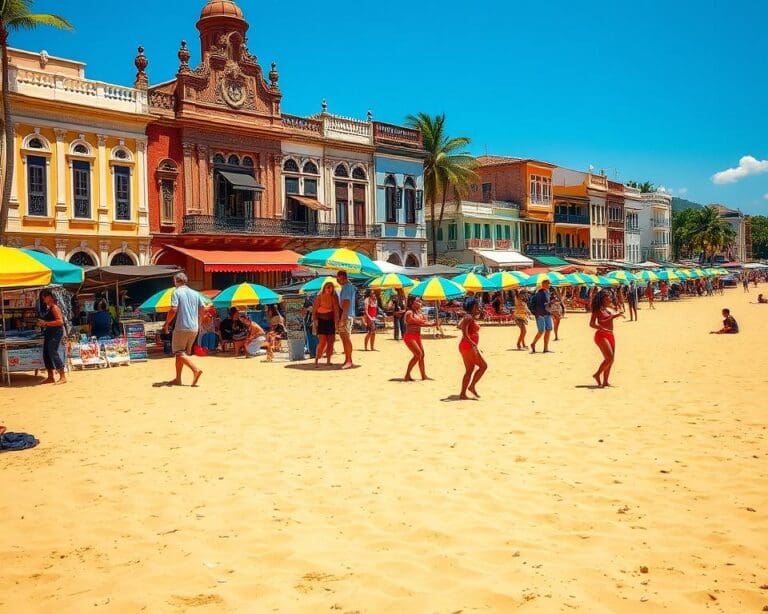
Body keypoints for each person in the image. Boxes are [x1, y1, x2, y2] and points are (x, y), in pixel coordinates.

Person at [163, 272, 204, 386]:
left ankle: (195, 370)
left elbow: (173, 310)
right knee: (181, 353)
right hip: (194, 327)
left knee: (178, 352)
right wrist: (199, 323)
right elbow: (202, 309)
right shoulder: (196, 293)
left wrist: (166, 324)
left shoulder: (176, 292)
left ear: (176, 281)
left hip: (182, 327)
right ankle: (178, 379)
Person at [589, 289, 624, 388]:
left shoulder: (606, 309)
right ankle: (597, 374)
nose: (610, 298)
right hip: (601, 335)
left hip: (610, 334)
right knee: (609, 358)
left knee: (611, 359)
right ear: (603, 298)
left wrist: (617, 309)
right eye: (608, 296)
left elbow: (615, 306)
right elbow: (592, 324)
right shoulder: (597, 309)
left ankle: (605, 381)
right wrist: (612, 317)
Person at [458, 298, 487, 399]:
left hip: (466, 345)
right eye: (477, 305)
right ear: (473, 306)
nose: (478, 307)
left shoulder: (469, 317)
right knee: (483, 366)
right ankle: (471, 386)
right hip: (468, 346)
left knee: (470, 370)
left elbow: (459, 326)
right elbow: (464, 333)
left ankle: (464, 392)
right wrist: (473, 344)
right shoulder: (468, 317)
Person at [37, 289, 67, 384]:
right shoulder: (49, 308)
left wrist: (46, 323)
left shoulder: (54, 307)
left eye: (44, 298)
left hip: (56, 332)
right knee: (46, 353)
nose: (43, 300)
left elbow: (60, 322)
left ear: (49, 297)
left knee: (53, 352)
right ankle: (50, 377)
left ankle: (63, 376)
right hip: (49, 332)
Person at [403, 295, 434, 381]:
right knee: (418, 355)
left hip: (417, 336)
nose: (420, 302)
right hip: (410, 336)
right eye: (417, 301)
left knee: (422, 355)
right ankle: (407, 375)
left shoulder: (418, 312)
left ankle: (423, 376)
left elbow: (425, 321)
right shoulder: (409, 312)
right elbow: (414, 321)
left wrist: (429, 322)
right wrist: (427, 323)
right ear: (412, 303)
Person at [312, 281, 340, 367]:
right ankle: (317, 359)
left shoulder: (334, 298)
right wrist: (315, 321)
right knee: (322, 342)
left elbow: (336, 311)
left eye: (331, 287)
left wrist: (336, 323)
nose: (330, 289)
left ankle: (328, 361)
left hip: (330, 321)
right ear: (324, 288)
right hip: (321, 321)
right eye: (328, 287)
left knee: (331, 342)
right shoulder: (319, 297)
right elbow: (314, 311)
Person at [336, 270, 356, 369]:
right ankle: (348, 359)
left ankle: (349, 360)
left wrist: (342, 319)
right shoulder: (349, 286)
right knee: (345, 338)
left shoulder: (347, 287)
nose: (337, 280)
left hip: (346, 315)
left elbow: (346, 304)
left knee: (345, 338)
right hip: (347, 315)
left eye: (337, 277)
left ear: (342, 277)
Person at [529, 279, 553, 354]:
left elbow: (547, 303)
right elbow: (539, 304)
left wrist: (550, 303)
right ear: (543, 284)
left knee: (549, 329)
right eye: (547, 284)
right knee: (541, 330)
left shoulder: (548, 293)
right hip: (540, 314)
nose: (549, 285)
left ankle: (545, 348)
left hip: (547, 313)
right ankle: (533, 343)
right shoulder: (538, 294)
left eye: (549, 284)